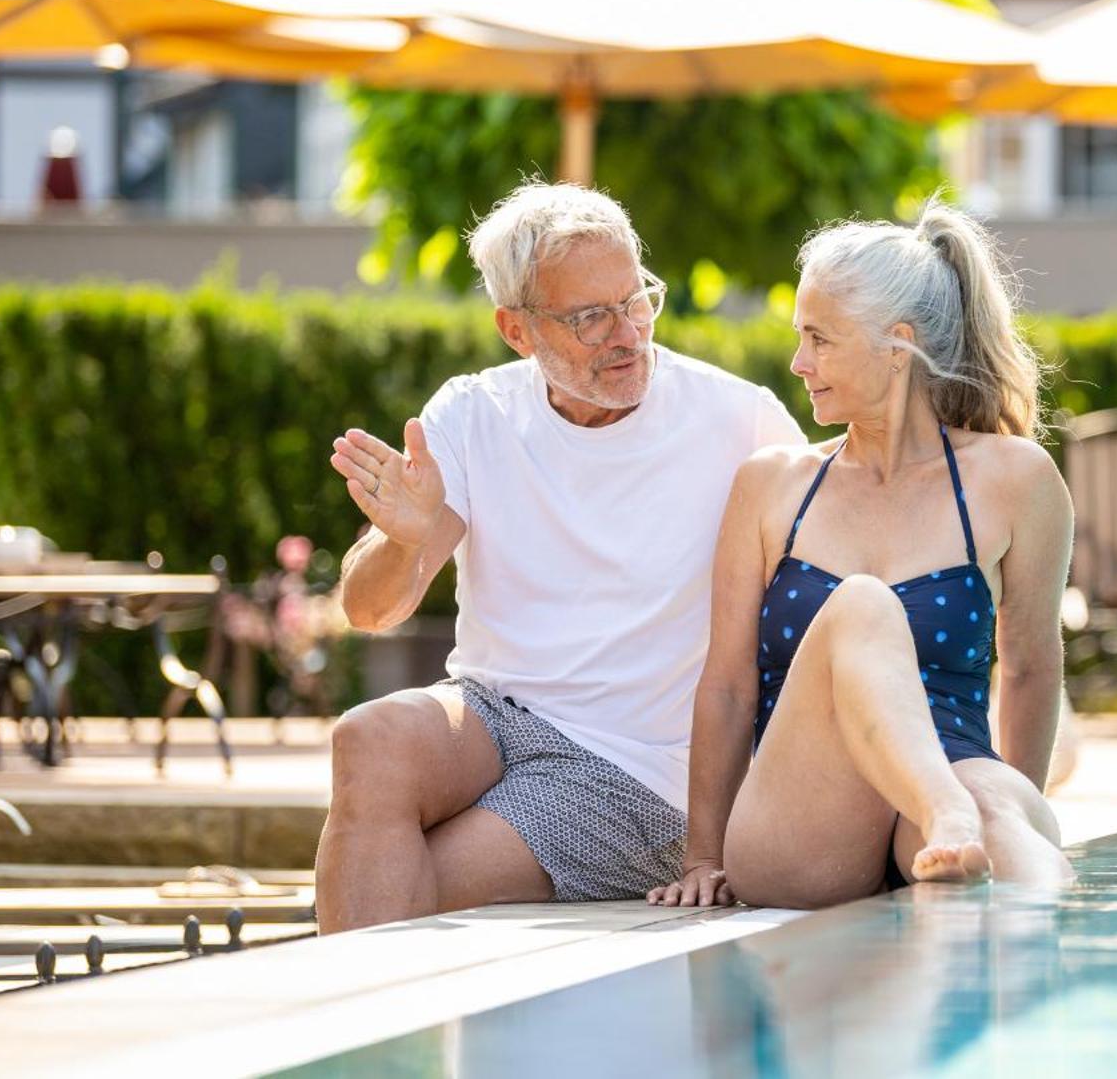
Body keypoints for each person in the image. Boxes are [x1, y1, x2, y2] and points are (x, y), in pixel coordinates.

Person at [317, 182, 804, 933]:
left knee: (410, 882)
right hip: (490, 711)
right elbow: (370, 610)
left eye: (637, 298)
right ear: (517, 330)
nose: (627, 332)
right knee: (367, 738)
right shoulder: (475, 412)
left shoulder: (739, 419)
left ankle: (346, 1043)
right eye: (589, 317)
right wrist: (404, 539)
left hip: (637, 770)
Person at [651, 205, 1075, 911]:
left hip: (954, 781)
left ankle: (1060, 939)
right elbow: (727, 685)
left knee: (1004, 819)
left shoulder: (1017, 481)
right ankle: (951, 811)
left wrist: (1014, 795)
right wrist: (702, 855)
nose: (799, 362)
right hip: (804, 821)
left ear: (896, 346)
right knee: (863, 603)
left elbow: (1032, 665)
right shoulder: (771, 484)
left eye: (819, 338)